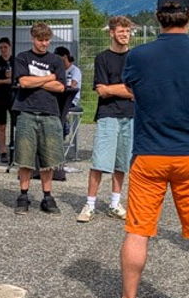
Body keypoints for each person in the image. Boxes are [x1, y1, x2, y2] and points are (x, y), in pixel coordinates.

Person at [109, 0, 189, 298]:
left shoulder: (139, 57)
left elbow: (133, 89)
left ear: (158, 17)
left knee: (138, 231)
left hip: (150, 153)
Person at [78, 16, 135, 223]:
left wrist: (113, 89)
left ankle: (115, 203)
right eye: (121, 31)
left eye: (127, 31)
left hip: (130, 115)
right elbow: (101, 91)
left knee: (122, 162)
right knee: (100, 161)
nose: (125, 35)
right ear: (112, 33)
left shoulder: (135, 58)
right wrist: (126, 90)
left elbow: (137, 90)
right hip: (107, 115)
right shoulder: (102, 58)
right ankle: (90, 204)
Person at [12, 23, 67, 214]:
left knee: (49, 157)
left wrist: (36, 81)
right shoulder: (22, 58)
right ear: (32, 39)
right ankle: (23, 195)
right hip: (26, 111)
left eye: (47, 40)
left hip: (49, 113)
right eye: (40, 40)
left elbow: (61, 87)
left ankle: (47, 196)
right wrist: (49, 78)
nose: (44, 43)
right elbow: (23, 82)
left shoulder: (56, 60)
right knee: (25, 157)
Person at [55, 45, 83, 169]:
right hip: (59, 98)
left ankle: (64, 129)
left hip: (71, 100)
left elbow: (73, 85)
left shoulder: (75, 70)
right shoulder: (58, 70)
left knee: (62, 111)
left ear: (65, 57)